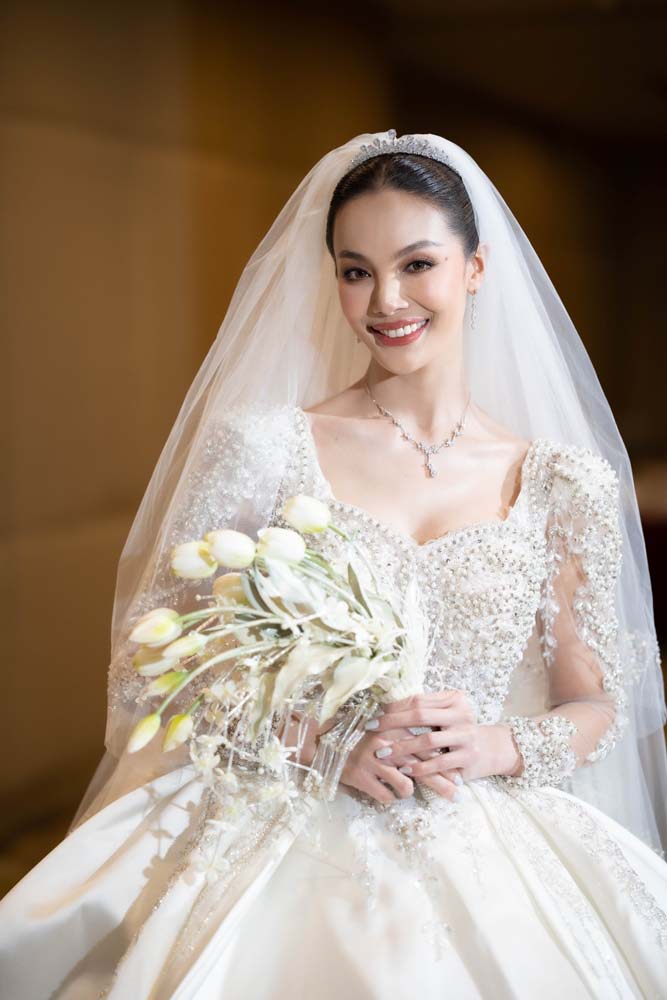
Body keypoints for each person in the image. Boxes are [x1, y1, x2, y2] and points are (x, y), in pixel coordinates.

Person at [1, 129, 667, 999]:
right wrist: (316, 742)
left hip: (487, 835)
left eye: (417, 264)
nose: (385, 300)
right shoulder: (265, 448)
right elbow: (149, 670)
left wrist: (496, 743)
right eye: (356, 271)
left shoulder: (561, 483)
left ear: (474, 268)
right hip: (285, 829)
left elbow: (599, 705)